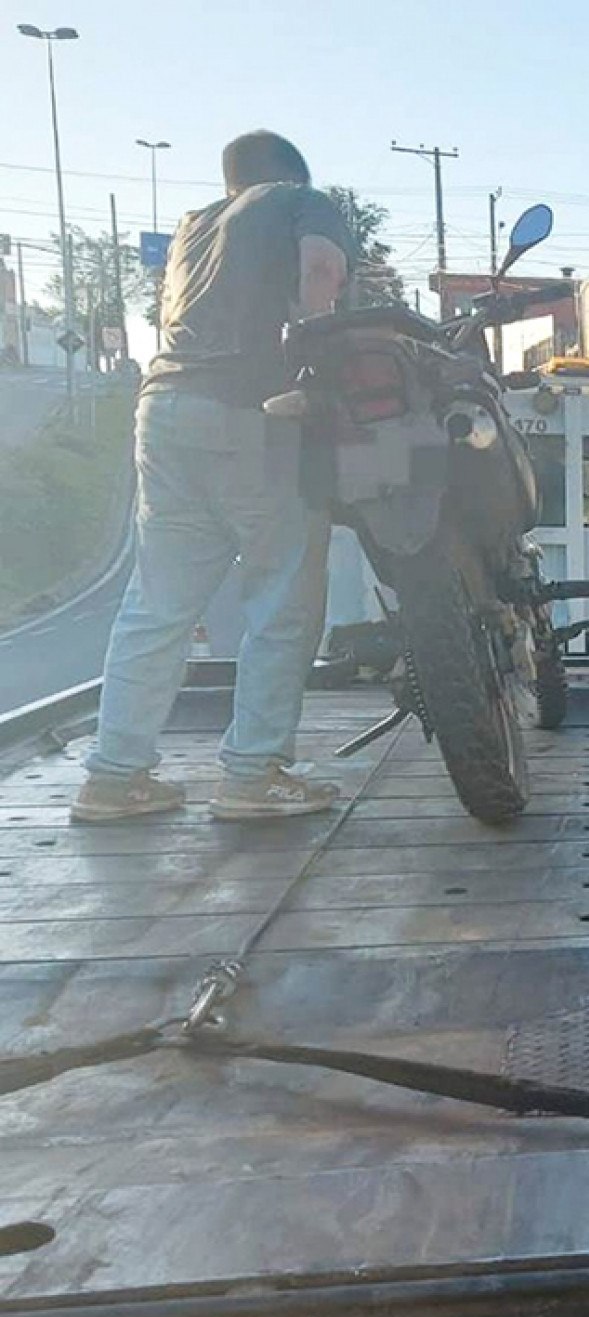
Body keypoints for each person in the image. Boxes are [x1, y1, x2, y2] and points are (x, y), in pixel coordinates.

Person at [71, 131, 354, 824]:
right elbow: (320, 268)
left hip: (163, 410)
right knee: (282, 593)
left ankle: (115, 776)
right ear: (291, 173)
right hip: (250, 408)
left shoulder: (193, 229)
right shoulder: (299, 200)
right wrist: (322, 358)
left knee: (158, 604)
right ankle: (254, 774)